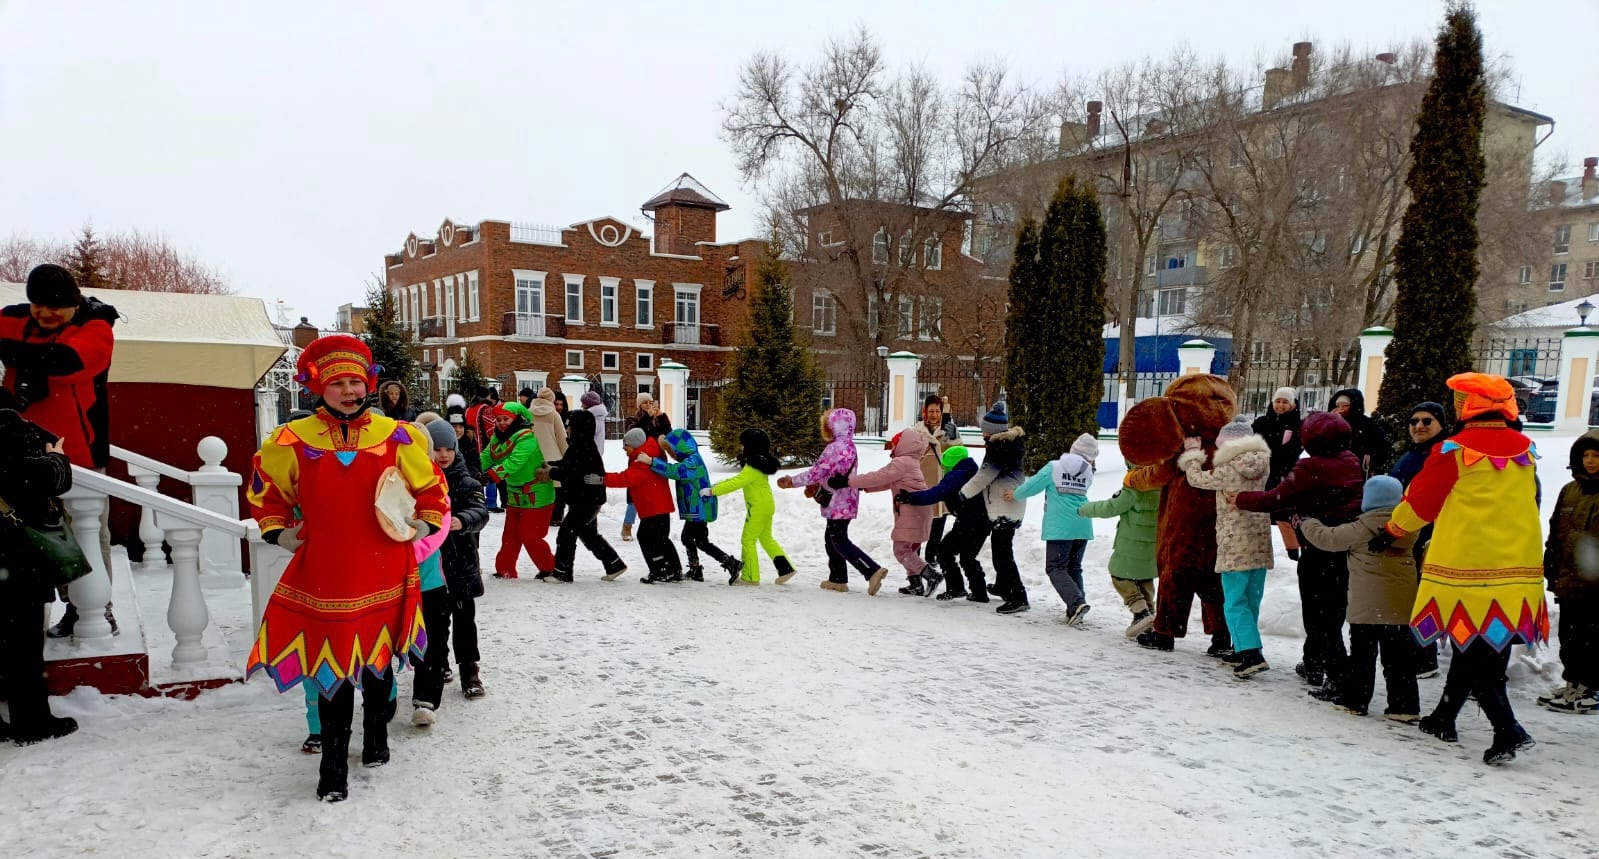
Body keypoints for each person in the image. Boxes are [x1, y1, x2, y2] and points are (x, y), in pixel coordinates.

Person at [246, 335, 448, 801]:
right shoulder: (291, 441)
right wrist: (280, 531)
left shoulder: (398, 436)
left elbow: (430, 488)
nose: (350, 391)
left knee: (378, 665)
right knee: (330, 672)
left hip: (385, 567)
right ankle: (332, 766)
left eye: (356, 381)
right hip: (326, 573)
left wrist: (423, 521)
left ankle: (375, 735)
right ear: (317, 386)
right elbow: (267, 494)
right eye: (338, 383)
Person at [1377, 373, 1547, 764]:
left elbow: (1421, 504)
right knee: (1483, 649)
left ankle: (1508, 729)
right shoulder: (1526, 448)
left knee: (1472, 649)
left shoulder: (1455, 450)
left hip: (1467, 567)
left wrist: (1391, 530)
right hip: (1517, 567)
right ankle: (1444, 716)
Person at [1, 264, 119, 639]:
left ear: (74, 303)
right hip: (21, 452)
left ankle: (92, 608)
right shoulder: (15, 319)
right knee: (29, 539)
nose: (46, 314)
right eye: (38, 306)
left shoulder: (95, 327)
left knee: (85, 534)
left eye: (56, 308)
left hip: (79, 453)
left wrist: (16, 354)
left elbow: (69, 363)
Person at [1234, 411, 1363, 692]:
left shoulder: (1311, 466)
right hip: (1344, 545)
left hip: (1317, 543)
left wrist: (1240, 498)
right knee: (1333, 609)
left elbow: (1277, 497)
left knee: (1319, 614)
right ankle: (1315, 662)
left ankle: (1337, 676)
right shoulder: (1350, 459)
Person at [1298, 475, 1420, 721]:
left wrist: (1307, 522)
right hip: (1401, 608)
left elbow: (1328, 539)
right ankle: (1404, 707)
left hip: (1367, 608)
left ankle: (1355, 700)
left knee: (1362, 658)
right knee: (1398, 660)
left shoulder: (1363, 527)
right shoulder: (1409, 527)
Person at [0, 409, 80, 745]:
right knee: (23, 644)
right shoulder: (9, 427)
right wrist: (58, 459)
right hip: (12, 559)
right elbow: (47, 477)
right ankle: (32, 721)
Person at [410, 419, 490, 727]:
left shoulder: (466, 480)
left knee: (465, 618)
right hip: (434, 567)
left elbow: (480, 511)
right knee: (436, 621)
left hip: (461, 564)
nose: (443, 455)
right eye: (437, 449)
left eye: (448, 449)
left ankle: (470, 669)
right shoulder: (421, 479)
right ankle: (439, 663)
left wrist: (462, 519)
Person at [1181, 419, 1274, 674]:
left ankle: (1251, 654)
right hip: (1259, 543)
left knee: (1234, 601)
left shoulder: (1227, 468)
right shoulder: (1263, 463)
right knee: (1251, 599)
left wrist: (1192, 455)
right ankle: (1242, 647)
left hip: (1235, 543)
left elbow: (1196, 479)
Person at [780, 409, 881, 593]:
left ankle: (872, 570)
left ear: (834, 425)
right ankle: (837, 578)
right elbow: (833, 472)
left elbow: (816, 472)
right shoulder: (850, 446)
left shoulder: (833, 448)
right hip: (848, 498)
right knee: (832, 538)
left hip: (837, 500)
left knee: (839, 540)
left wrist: (791, 481)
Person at [1537, 428, 1599, 715]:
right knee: (1570, 635)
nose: (1590, 461)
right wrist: (1551, 564)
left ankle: (1592, 688)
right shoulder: (1569, 490)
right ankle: (1573, 683)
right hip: (1569, 580)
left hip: (1595, 583)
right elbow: (1556, 532)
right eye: (1585, 455)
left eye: (1596, 455)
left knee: (1593, 637)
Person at [1010, 434, 1099, 625]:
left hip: (1061, 526)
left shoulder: (1054, 467)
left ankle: (1076, 603)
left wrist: (1014, 494)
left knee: (1055, 567)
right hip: (1082, 522)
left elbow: (1032, 486)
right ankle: (1076, 607)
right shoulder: (1088, 472)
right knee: (1074, 567)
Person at [1390, 400, 1448, 679]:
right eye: (1414, 422)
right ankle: (1414, 652)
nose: (1419, 426)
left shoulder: (1442, 455)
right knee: (1409, 598)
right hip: (1404, 535)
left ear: (1441, 424)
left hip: (1428, 538)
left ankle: (1425, 657)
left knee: (1423, 599)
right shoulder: (1412, 454)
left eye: (1427, 421)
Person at [958, 402, 1029, 614]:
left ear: (991, 432)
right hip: (1010, 506)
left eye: (984, 431)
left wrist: (963, 493)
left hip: (1004, 508)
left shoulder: (999, 448)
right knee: (1002, 548)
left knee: (1002, 554)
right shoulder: (1010, 445)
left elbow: (983, 477)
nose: (982, 435)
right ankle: (1003, 586)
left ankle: (1018, 595)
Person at [839, 427, 928, 596]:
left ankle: (929, 574)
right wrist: (864, 487)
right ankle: (916, 584)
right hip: (917, 511)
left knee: (901, 550)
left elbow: (878, 476)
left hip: (911, 512)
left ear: (903, 445)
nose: (893, 448)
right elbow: (887, 482)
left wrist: (848, 481)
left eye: (895, 444)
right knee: (910, 549)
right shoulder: (910, 462)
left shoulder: (901, 463)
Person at [1078, 460, 1161, 638]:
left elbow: (1111, 506)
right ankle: (1150, 617)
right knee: (1144, 577)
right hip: (1153, 541)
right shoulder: (1162, 481)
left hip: (1131, 542)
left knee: (1119, 575)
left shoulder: (1135, 483)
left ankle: (1140, 613)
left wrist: (1084, 509)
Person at [650, 428, 740, 583]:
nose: (673, 456)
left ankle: (726, 564)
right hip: (697, 509)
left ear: (682, 447)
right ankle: (703, 568)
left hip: (700, 509)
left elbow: (675, 471)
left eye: (673, 451)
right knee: (700, 541)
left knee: (692, 539)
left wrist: (652, 462)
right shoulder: (691, 459)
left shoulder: (692, 461)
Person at [547, 409, 627, 583]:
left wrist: (551, 473)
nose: (567, 429)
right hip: (587, 499)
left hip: (585, 500)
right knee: (588, 535)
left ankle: (563, 572)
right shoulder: (580, 445)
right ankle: (614, 564)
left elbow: (573, 473)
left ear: (578, 428)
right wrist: (551, 465)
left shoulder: (583, 448)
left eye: (569, 426)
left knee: (566, 534)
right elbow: (568, 465)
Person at [709, 428, 794, 587]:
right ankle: (786, 568)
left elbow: (737, 482)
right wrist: (717, 485)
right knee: (766, 538)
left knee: (747, 540)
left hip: (758, 507)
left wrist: (713, 491)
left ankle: (750, 577)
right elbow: (738, 479)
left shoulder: (753, 465)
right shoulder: (760, 463)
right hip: (766, 504)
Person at [481, 401, 556, 580]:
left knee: (531, 535)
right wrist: (474, 468)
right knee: (510, 535)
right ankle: (505, 569)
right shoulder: (498, 438)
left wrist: (491, 475)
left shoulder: (527, 438)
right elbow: (487, 456)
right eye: (498, 419)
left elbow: (514, 462)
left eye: (506, 419)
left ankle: (550, 568)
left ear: (515, 419)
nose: (501, 423)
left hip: (537, 494)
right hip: (515, 493)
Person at [898, 446, 981, 601]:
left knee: (944, 552)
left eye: (945, 464)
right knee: (967, 556)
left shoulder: (958, 475)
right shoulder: (971, 470)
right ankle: (979, 592)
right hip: (977, 520)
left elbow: (937, 493)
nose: (944, 468)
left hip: (969, 521)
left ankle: (957, 589)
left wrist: (911, 497)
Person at [609, 427, 682, 584]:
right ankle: (674, 569)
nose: (623, 448)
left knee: (646, 537)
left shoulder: (642, 460)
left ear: (635, 445)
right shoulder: (650, 454)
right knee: (662, 539)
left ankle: (659, 570)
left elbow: (625, 479)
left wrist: (602, 479)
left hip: (652, 507)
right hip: (659, 505)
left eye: (626, 445)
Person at [1253, 387, 1304, 561]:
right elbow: (1252, 444)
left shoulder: (1297, 425)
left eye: (1285, 402)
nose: (1280, 405)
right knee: (1258, 515)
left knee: (1284, 516)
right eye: (1278, 401)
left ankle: (1292, 553)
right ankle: (1257, 551)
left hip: (1284, 475)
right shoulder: (1261, 422)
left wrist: (1276, 454)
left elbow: (1294, 450)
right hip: (1261, 474)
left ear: (1292, 404)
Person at [912, 395, 955, 586]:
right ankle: (917, 571)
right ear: (925, 412)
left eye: (937, 411)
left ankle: (931, 565)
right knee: (917, 531)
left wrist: (952, 436)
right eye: (931, 411)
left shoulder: (948, 430)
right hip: (921, 486)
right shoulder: (916, 431)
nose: (934, 415)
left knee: (936, 531)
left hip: (940, 488)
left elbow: (958, 454)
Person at [530, 388, 569, 527]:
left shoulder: (528, 413)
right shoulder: (554, 415)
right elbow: (562, 438)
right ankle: (556, 517)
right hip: (553, 455)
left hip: (533, 455)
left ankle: (538, 515)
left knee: (536, 487)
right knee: (557, 489)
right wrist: (567, 456)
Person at [1328, 388, 1389, 477]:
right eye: (1337, 406)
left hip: (1358, 472)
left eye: (1345, 405)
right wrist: (1329, 420)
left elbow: (1380, 444)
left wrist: (1370, 454)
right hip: (1334, 469)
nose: (1341, 409)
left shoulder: (1367, 424)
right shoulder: (1331, 422)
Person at [468, 387, 503, 512]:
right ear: (487, 396)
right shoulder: (486, 409)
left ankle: (477, 500)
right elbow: (491, 430)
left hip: (471, 448)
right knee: (489, 476)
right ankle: (491, 502)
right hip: (485, 447)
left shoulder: (469, 409)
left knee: (476, 475)